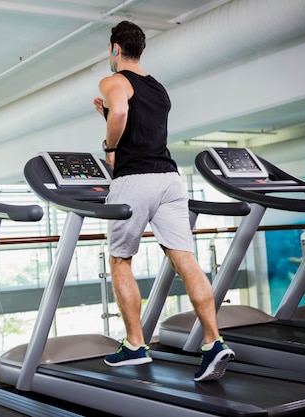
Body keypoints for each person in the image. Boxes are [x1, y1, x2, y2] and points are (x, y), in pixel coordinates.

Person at [93, 21, 234, 382]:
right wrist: (110, 114)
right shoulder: (158, 87)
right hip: (170, 179)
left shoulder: (112, 81)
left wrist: (110, 147)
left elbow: (124, 114)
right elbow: (138, 121)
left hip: (134, 179)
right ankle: (213, 341)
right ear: (140, 49)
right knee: (185, 259)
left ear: (114, 49)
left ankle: (135, 344)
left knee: (120, 259)